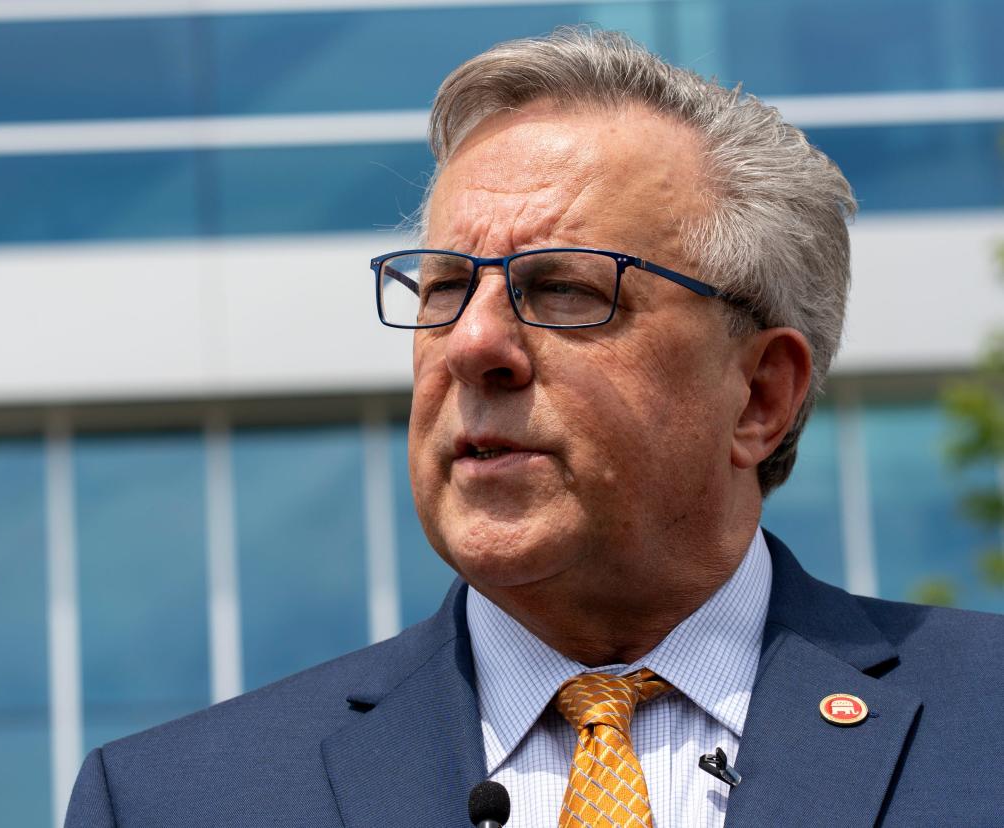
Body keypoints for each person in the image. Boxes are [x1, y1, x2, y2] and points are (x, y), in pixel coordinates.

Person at [65, 28, 1004, 827]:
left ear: (760, 394)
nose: (473, 344)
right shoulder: (175, 801)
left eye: (562, 290)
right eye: (440, 289)